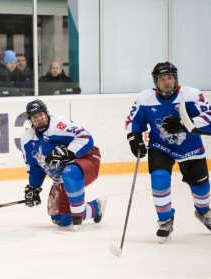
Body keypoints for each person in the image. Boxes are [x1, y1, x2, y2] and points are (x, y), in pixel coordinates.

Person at [125, 61, 211, 241]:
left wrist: (183, 124)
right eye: (161, 78)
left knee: (201, 189)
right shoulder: (145, 98)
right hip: (160, 146)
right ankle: (165, 220)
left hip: (191, 148)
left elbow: (209, 118)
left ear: (176, 78)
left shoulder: (192, 95)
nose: (167, 82)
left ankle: (203, 212)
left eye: (170, 77)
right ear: (155, 82)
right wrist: (135, 138)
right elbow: (134, 120)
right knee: (159, 179)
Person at [21, 99, 105, 229]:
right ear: (30, 120)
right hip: (62, 178)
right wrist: (34, 188)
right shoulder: (27, 139)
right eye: (35, 117)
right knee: (61, 219)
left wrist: (67, 151)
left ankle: (77, 217)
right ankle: (95, 208)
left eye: (41, 115)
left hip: (87, 160)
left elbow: (86, 138)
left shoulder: (58, 125)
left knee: (70, 172)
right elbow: (35, 168)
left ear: (46, 113)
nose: (39, 119)